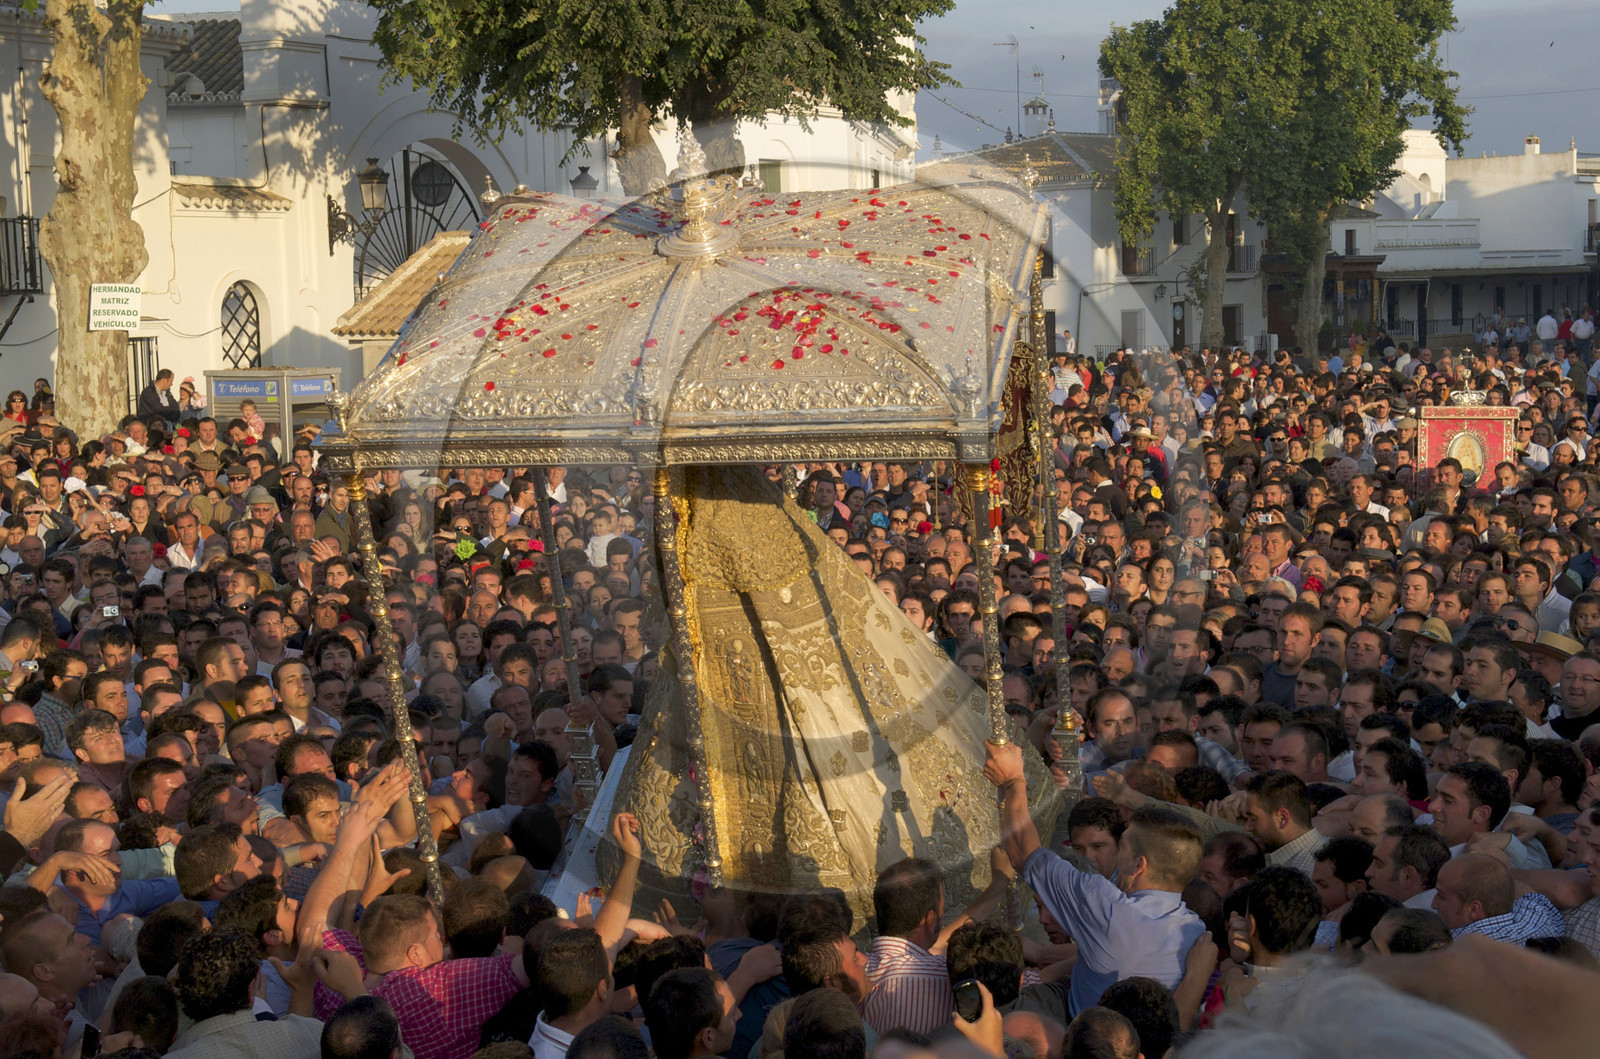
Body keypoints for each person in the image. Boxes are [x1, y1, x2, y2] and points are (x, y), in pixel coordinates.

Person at [986, 739, 1205, 1015]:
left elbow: (1021, 853)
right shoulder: (1196, 932)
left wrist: (1013, 781)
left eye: (1122, 846)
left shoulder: (1108, 907)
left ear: (1139, 865)